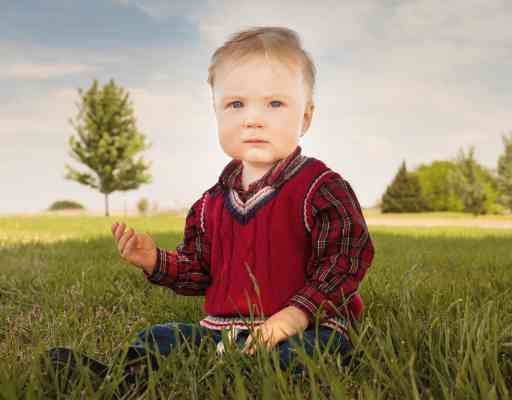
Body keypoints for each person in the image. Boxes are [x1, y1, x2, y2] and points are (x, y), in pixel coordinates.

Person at [48, 26, 374, 388]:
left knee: (303, 356)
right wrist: (156, 260)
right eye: (236, 104)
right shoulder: (209, 205)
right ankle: (121, 380)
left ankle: (242, 378)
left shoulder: (319, 188)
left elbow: (344, 262)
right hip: (224, 333)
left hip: (305, 328)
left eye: (275, 103)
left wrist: (295, 316)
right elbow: (200, 271)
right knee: (161, 336)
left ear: (306, 117)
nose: (253, 118)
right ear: (217, 113)